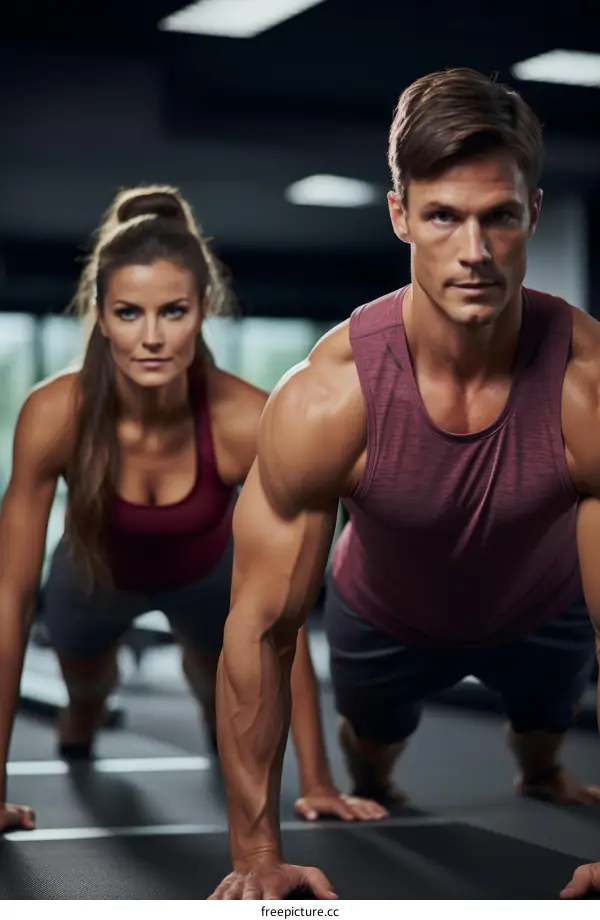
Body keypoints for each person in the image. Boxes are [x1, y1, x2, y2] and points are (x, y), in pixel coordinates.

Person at [208, 67, 600, 901]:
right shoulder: (329, 398)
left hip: (544, 608)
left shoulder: (589, 387)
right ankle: (384, 754)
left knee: (546, 734)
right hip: (386, 616)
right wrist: (256, 855)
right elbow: (263, 631)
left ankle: (540, 764)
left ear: (532, 212)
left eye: (499, 217)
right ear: (400, 216)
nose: (474, 252)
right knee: (374, 759)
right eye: (443, 216)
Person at [0, 185, 386, 835]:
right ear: (101, 315)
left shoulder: (247, 420)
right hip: (93, 575)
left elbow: (286, 617)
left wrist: (319, 782)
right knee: (86, 696)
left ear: (203, 309)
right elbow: (9, 600)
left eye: (173, 311)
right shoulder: (54, 414)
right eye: (129, 313)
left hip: (208, 575)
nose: (152, 337)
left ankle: (196, 666)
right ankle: (82, 714)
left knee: (223, 701)